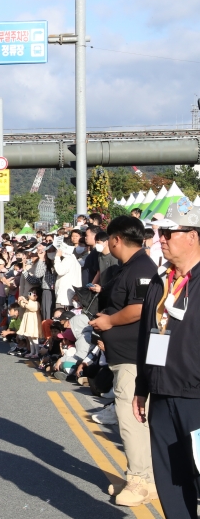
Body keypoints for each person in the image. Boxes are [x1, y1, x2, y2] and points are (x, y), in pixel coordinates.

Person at [133, 198, 200, 519]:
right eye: (161, 232)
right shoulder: (161, 281)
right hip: (161, 396)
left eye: (169, 233)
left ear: (193, 236)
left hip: (195, 399)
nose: (161, 238)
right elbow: (147, 336)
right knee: (171, 484)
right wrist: (141, 387)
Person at [89, 215, 158, 507]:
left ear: (116, 239)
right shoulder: (129, 267)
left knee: (130, 417)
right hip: (125, 353)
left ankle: (140, 479)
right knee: (136, 417)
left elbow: (139, 309)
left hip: (134, 356)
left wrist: (108, 322)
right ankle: (146, 478)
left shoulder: (142, 268)